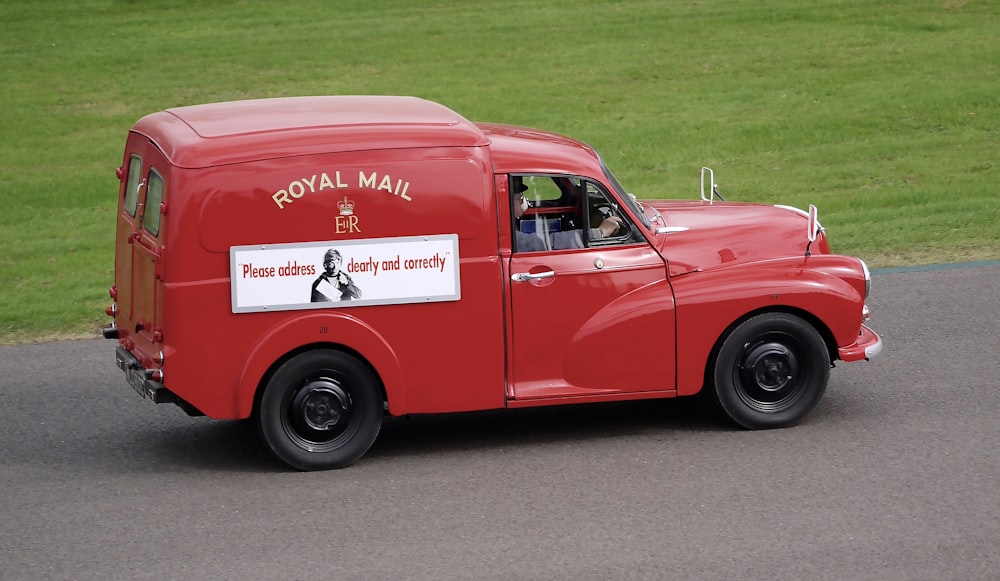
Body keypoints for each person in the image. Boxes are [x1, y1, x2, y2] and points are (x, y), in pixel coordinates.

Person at [513, 183, 623, 251]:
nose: (523, 202)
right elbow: (550, 242)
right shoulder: (510, 238)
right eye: (519, 198)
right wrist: (600, 232)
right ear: (505, 202)